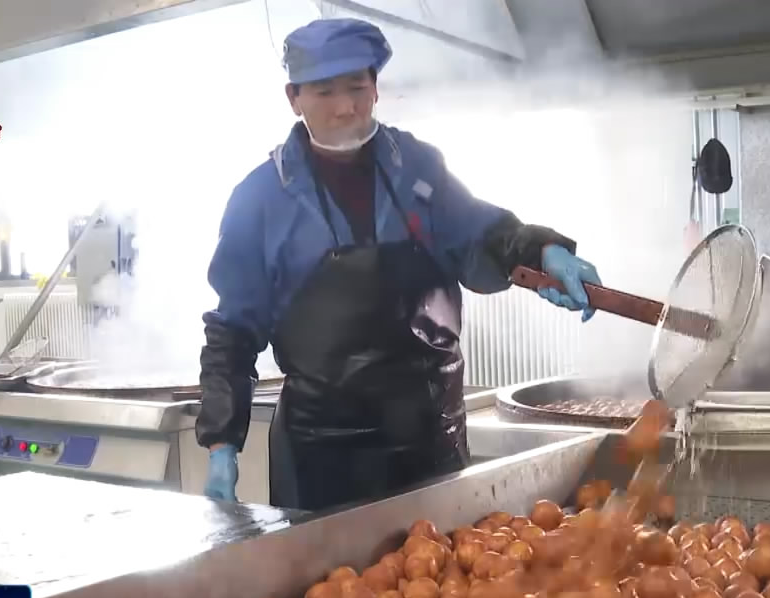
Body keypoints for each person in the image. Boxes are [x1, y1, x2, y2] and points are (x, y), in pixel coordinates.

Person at [196, 18, 603, 509]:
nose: (346, 107)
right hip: (322, 462)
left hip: (431, 448)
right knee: (330, 587)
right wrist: (222, 443)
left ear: (376, 88)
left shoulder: (417, 167)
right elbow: (233, 333)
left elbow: (477, 232)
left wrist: (540, 251)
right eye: (325, 91)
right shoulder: (260, 199)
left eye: (357, 87)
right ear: (293, 97)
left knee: (446, 579)